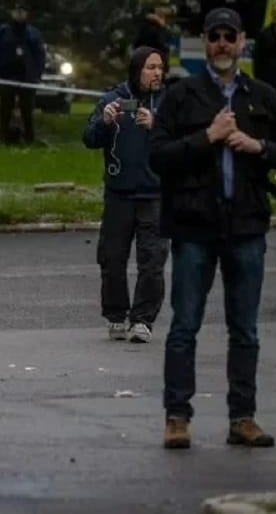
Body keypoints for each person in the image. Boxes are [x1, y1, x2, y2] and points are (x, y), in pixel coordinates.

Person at [150, 8, 276, 450]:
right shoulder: (182, 95)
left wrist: (260, 146)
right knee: (185, 327)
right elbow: (157, 157)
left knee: (245, 330)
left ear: (242, 43)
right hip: (193, 228)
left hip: (245, 227)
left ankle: (243, 417)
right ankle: (176, 418)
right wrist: (209, 137)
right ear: (205, 42)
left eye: (229, 37)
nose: (222, 45)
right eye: (214, 37)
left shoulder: (263, 95)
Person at [82, 46, 168, 344]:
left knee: (152, 261)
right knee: (112, 258)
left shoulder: (168, 102)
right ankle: (116, 315)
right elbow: (89, 139)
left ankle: (142, 320)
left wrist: (157, 125)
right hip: (119, 194)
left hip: (155, 195)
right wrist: (104, 121)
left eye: (160, 67)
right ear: (136, 70)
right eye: (151, 67)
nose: (157, 73)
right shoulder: (112, 99)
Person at [0, 1, 45, 145]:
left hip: (27, 77)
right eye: (16, 11)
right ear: (12, 13)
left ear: (27, 13)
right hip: (7, 76)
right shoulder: (2, 32)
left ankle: (29, 138)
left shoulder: (33, 33)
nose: (19, 14)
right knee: (5, 108)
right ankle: (5, 137)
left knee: (27, 110)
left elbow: (40, 55)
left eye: (22, 11)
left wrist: (37, 75)